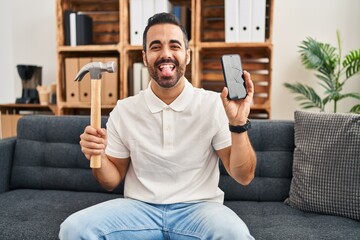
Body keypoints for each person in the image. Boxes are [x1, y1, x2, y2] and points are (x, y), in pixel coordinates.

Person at [59, 12, 256, 240]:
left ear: (187, 55)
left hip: (200, 210)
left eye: (174, 46)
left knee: (236, 235)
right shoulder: (125, 110)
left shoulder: (213, 104)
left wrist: (238, 124)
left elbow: (244, 176)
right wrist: (98, 155)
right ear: (144, 57)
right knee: (73, 229)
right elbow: (111, 181)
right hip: (139, 210)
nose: (165, 54)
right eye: (155, 47)